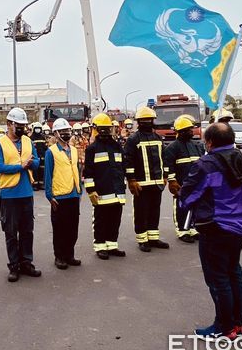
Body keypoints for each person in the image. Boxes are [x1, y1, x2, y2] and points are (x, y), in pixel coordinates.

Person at [180, 123, 242, 341]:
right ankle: (237, 323)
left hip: (215, 227)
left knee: (218, 278)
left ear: (209, 142)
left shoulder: (206, 164)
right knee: (234, 272)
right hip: (239, 225)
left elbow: (188, 196)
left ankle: (224, 327)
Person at [0, 107, 41, 282]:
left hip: (26, 193)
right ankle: (14, 266)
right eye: (18, 125)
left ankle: (26, 262)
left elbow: (36, 161)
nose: (22, 128)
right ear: (9, 124)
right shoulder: (0, 143)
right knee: (11, 232)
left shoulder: (28, 141)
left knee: (27, 231)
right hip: (9, 195)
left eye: (23, 125)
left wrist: (32, 164)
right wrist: (20, 166)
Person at [124, 107, 169, 252]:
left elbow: (164, 158)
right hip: (141, 183)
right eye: (143, 120)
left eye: (148, 120)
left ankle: (153, 237)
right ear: (138, 122)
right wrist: (131, 180)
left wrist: (165, 176)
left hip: (156, 183)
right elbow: (128, 161)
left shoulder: (158, 138)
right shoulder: (133, 139)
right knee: (141, 212)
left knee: (154, 211)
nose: (146, 122)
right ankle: (142, 240)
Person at [83, 113, 127, 260]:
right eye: (101, 129)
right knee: (101, 220)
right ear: (95, 129)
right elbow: (88, 171)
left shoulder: (116, 146)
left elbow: (123, 167)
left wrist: (124, 184)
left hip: (117, 192)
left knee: (115, 220)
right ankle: (101, 246)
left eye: (106, 129)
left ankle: (112, 245)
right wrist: (91, 190)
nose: (104, 132)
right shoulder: (92, 149)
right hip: (101, 192)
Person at [44, 118, 82, 270]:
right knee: (60, 229)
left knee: (73, 228)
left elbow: (77, 170)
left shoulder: (73, 150)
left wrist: (79, 191)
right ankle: (59, 256)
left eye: (68, 131)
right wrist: (49, 195)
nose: (66, 134)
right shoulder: (51, 152)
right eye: (63, 131)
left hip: (73, 194)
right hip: (59, 196)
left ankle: (69, 255)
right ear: (56, 134)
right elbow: (48, 174)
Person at [163, 115, 205, 243]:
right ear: (180, 132)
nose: (191, 132)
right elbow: (168, 165)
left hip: (196, 183)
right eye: (188, 130)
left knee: (195, 205)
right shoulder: (172, 148)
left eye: (191, 129)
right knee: (181, 206)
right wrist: (172, 181)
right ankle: (182, 230)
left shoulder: (197, 145)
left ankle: (192, 228)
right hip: (181, 183)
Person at [30, 122, 47, 191]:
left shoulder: (43, 137)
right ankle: (35, 185)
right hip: (35, 157)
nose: (38, 130)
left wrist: (45, 154)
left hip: (42, 156)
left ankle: (41, 184)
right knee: (35, 171)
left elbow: (45, 147)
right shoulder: (31, 137)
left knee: (42, 170)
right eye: (36, 129)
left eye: (39, 128)